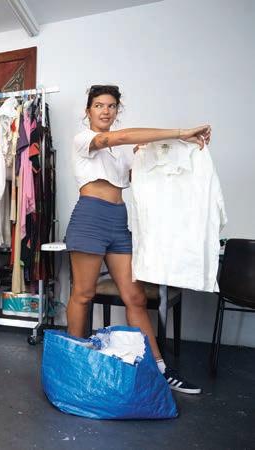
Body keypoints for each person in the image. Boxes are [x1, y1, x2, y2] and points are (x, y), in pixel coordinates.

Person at [66, 85, 211, 394]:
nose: (105, 111)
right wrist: (181, 132)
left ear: (117, 110)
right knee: (84, 294)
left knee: (136, 298)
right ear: (88, 111)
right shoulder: (83, 139)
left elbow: (150, 171)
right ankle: (75, 365)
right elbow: (121, 137)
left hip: (119, 221)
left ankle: (160, 369)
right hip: (90, 217)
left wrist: (182, 146)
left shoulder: (123, 152)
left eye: (111, 106)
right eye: (99, 105)